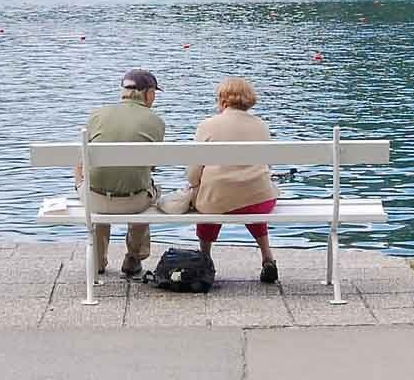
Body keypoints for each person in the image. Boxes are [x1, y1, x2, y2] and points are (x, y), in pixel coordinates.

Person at [186, 77, 280, 282]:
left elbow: (194, 171)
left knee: (210, 200)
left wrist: (194, 186)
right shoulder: (261, 126)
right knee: (249, 196)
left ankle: (205, 259)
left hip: (217, 201)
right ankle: (267, 257)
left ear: (222, 99)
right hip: (258, 201)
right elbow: (268, 166)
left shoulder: (207, 125)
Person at [74, 69, 166, 277]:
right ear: (148, 93)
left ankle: (97, 261)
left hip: (94, 199)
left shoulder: (97, 115)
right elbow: (152, 166)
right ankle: (133, 257)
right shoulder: (156, 121)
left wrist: (80, 182)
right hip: (134, 202)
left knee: (92, 180)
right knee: (148, 189)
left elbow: (80, 157)